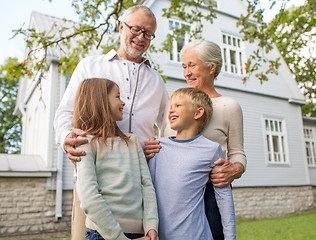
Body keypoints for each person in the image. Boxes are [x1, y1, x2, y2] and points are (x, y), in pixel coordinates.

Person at [53, 6, 168, 240]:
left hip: (138, 187)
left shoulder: (156, 80)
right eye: (136, 29)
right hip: (93, 179)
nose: (141, 38)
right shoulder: (90, 66)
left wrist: (160, 147)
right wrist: (67, 138)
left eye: (148, 34)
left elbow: (169, 127)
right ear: (121, 27)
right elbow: (65, 112)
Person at [144, 39, 246, 240]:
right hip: (170, 195)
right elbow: (165, 141)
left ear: (211, 67)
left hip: (210, 192)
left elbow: (237, 153)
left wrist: (234, 170)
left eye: (192, 65)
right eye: (184, 66)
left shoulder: (228, 106)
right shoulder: (175, 106)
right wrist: (151, 148)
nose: (186, 72)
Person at [74, 78, 158, 240]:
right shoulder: (85, 144)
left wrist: (151, 226)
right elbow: (89, 197)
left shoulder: (131, 141)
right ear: (100, 101)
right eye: (117, 96)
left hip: (141, 234)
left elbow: (146, 186)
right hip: (102, 234)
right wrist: (119, 238)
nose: (123, 102)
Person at [148, 87, 236, 240]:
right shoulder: (156, 147)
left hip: (196, 235)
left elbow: (224, 198)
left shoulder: (211, 149)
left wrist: (230, 237)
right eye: (170, 106)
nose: (171, 110)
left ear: (198, 113)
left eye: (178, 105)